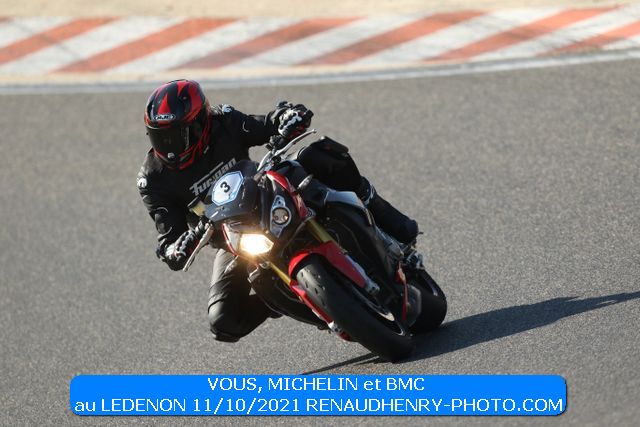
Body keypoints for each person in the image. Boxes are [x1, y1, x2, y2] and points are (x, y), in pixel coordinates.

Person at [137, 79, 418, 343]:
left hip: (268, 191)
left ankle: (382, 215)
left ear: (201, 122)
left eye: (177, 135)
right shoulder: (153, 179)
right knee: (223, 319)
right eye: (161, 137)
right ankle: (311, 302)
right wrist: (176, 249)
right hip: (233, 235)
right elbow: (169, 238)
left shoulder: (223, 122)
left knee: (317, 156)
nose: (169, 147)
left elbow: (265, 124)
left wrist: (287, 116)